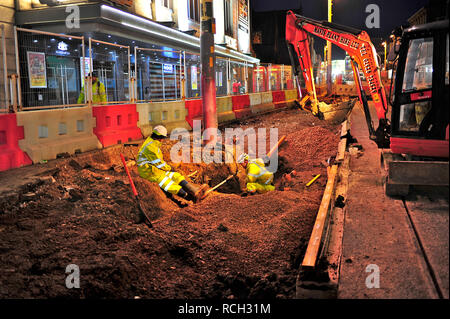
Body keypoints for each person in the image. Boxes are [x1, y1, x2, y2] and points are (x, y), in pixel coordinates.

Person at [137, 125, 208, 202]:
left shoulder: (153, 142)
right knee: (169, 184)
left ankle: (194, 190)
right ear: (160, 137)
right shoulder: (151, 148)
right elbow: (159, 164)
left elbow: (158, 163)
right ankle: (191, 198)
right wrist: (170, 168)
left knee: (176, 176)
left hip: (155, 170)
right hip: (149, 173)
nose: (163, 140)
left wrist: (169, 168)